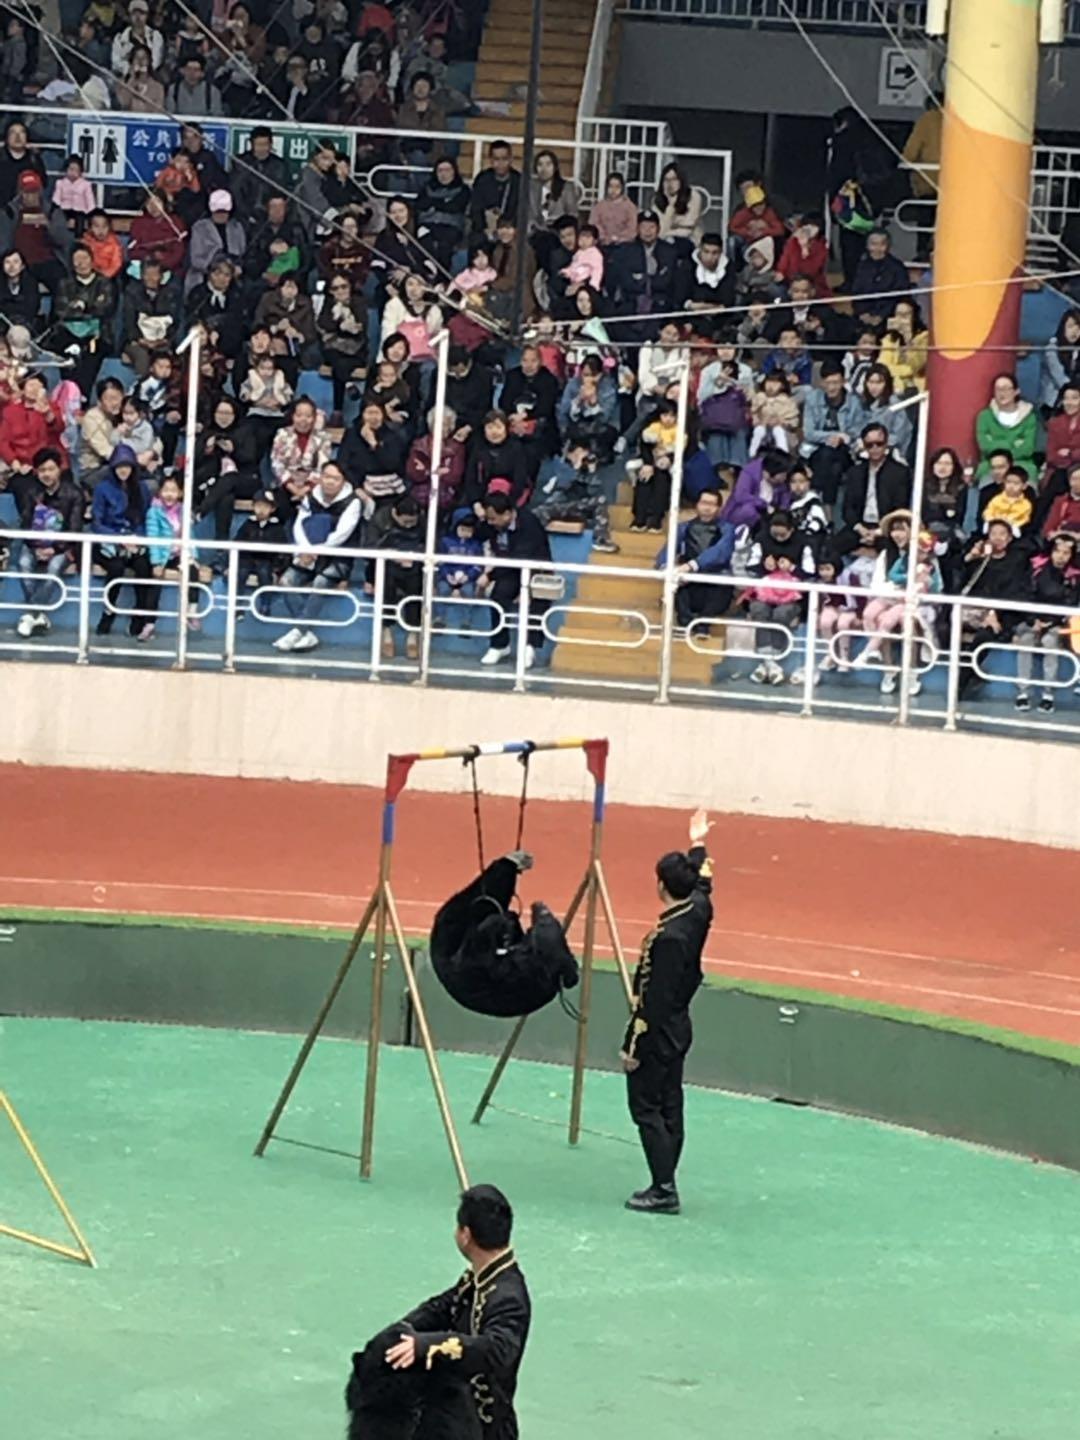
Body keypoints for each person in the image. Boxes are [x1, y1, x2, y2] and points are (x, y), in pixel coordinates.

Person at [622, 808, 714, 1215]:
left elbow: (652, 1004)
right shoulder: (696, 912)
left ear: (660, 886)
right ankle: (666, 1175)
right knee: (671, 1102)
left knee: (646, 1107)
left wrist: (632, 1045)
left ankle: (663, 1186)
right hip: (680, 1026)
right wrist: (697, 843)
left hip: (658, 1031)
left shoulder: (667, 938)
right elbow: (705, 882)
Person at [385, 1184, 531, 1440]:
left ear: (465, 1234)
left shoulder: (509, 1297)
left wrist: (428, 1345)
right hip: (454, 1416)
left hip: (485, 1429)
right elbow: (445, 1305)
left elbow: (495, 1350)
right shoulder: (483, 1275)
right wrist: (404, 1330)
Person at [428, 850, 578, 1017]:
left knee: (477, 914)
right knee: (487, 916)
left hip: (481, 974)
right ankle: (504, 874)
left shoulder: (458, 945)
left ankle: (503, 875)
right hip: (496, 978)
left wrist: (505, 868)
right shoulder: (540, 969)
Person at [274, 461, 364, 653]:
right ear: (320, 477)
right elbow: (299, 524)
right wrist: (305, 549)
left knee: (321, 583)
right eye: (327, 477)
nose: (330, 482)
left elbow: (341, 535)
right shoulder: (310, 497)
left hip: (337, 557)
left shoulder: (353, 502)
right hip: (307, 554)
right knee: (286, 581)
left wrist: (316, 551)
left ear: (343, 481)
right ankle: (306, 633)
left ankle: (298, 630)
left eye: (336, 478)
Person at [14, 447, 82, 640]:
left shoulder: (73, 493)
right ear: (37, 472)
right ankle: (39, 616)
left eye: (51, 469)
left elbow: (75, 529)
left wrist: (55, 548)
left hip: (63, 546)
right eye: (42, 470)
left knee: (54, 567)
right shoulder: (30, 492)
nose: (47, 474)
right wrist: (36, 546)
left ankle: (29, 615)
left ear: (59, 469)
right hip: (34, 544)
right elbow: (25, 522)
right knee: (23, 563)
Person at [477, 492, 551, 668]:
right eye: (488, 518)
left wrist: (489, 575)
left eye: (494, 518)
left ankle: (529, 647)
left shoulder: (528, 523)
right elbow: (480, 533)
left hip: (536, 570)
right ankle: (499, 645)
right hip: (508, 570)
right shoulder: (492, 525)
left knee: (537, 601)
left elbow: (520, 556)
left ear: (508, 514)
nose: (490, 522)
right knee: (499, 596)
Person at [1013, 532, 1080, 714]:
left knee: (1050, 642)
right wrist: (1032, 619)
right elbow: (1025, 595)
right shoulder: (1036, 569)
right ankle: (1023, 693)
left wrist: (1049, 624)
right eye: (1058, 551)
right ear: (1050, 552)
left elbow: (1070, 603)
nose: (1061, 556)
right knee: (1026, 639)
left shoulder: (1074, 577)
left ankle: (1048, 695)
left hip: (1056, 624)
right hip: (1031, 620)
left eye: (1066, 553)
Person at [655, 489, 734, 630]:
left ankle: (703, 626)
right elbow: (668, 551)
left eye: (712, 504)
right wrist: (665, 567)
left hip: (715, 581)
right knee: (676, 583)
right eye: (704, 503)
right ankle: (685, 623)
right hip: (690, 581)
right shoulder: (683, 528)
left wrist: (693, 565)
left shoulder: (727, 529)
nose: (707, 508)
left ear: (719, 508)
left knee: (724, 585)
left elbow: (721, 552)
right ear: (697, 505)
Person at [834, 422, 912, 555]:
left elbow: (900, 507)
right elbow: (848, 508)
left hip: (886, 528)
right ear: (864, 446)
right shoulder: (855, 472)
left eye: (879, 443)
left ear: (886, 444)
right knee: (832, 547)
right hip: (860, 526)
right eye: (869, 445)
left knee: (891, 549)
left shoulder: (900, 472)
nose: (875, 448)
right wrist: (861, 529)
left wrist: (877, 532)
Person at [975, 374, 1038, 479]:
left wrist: (996, 442)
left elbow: (1027, 449)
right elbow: (985, 446)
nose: (1001, 393)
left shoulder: (1029, 417)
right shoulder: (984, 416)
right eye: (998, 389)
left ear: (1016, 391)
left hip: (1021, 464)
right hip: (990, 465)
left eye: (1006, 389)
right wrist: (1012, 443)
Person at [850, 229, 910, 329]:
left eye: (882, 244)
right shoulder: (861, 266)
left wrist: (881, 316)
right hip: (862, 316)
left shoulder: (897, 268)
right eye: (873, 244)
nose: (877, 248)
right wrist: (862, 313)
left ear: (888, 246)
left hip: (889, 317)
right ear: (867, 246)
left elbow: (900, 295)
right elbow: (856, 293)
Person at [469, 141, 521, 242]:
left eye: (504, 159)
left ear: (511, 159)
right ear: (491, 160)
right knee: (476, 240)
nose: (500, 163)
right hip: (486, 229)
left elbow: (522, 209)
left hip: (510, 229)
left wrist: (511, 229)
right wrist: (484, 229)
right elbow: (475, 209)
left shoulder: (519, 181)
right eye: (496, 159)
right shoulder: (482, 179)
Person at [589, 172, 638, 249]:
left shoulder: (630, 207)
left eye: (617, 187)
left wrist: (619, 238)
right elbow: (594, 224)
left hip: (625, 246)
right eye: (611, 186)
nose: (613, 190)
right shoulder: (599, 206)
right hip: (602, 245)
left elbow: (632, 228)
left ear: (622, 188)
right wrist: (605, 237)